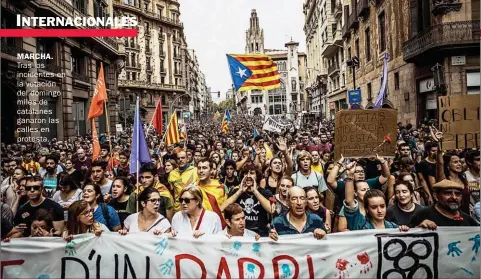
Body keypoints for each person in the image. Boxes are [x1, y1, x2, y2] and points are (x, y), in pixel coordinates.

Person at [221, 164, 274, 236]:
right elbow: (222, 208)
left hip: (260, 234)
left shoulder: (265, 192)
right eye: (246, 173)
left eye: (252, 173)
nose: (248, 176)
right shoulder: (236, 191)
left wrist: (255, 191)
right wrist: (240, 191)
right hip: (241, 233)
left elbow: (271, 210)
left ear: (257, 176)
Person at [344, 176, 409, 231]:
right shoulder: (360, 224)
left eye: (382, 206)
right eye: (374, 207)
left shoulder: (393, 227)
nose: (379, 211)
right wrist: (349, 177)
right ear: (367, 208)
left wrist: (404, 231)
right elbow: (349, 202)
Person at [408, 180, 479, 228]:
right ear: (436, 196)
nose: (454, 197)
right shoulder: (422, 215)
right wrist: (419, 228)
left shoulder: (468, 220)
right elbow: (406, 240)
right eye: (448, 193)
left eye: (457, 194)